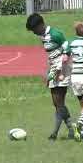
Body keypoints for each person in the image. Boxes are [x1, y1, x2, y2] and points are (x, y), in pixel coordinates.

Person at [26, 13, 74, 141]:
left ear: (40, 25)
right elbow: (52, 55)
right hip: (54, 68)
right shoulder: (42, 36)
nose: (34, 33)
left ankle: (57, 133)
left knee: (59, 102)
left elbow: (66, 45)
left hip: (62, 69)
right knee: (56, 103)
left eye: (34, 29)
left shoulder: (55, 34)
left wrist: (66, 54)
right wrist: (49, 72)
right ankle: (72, 129)